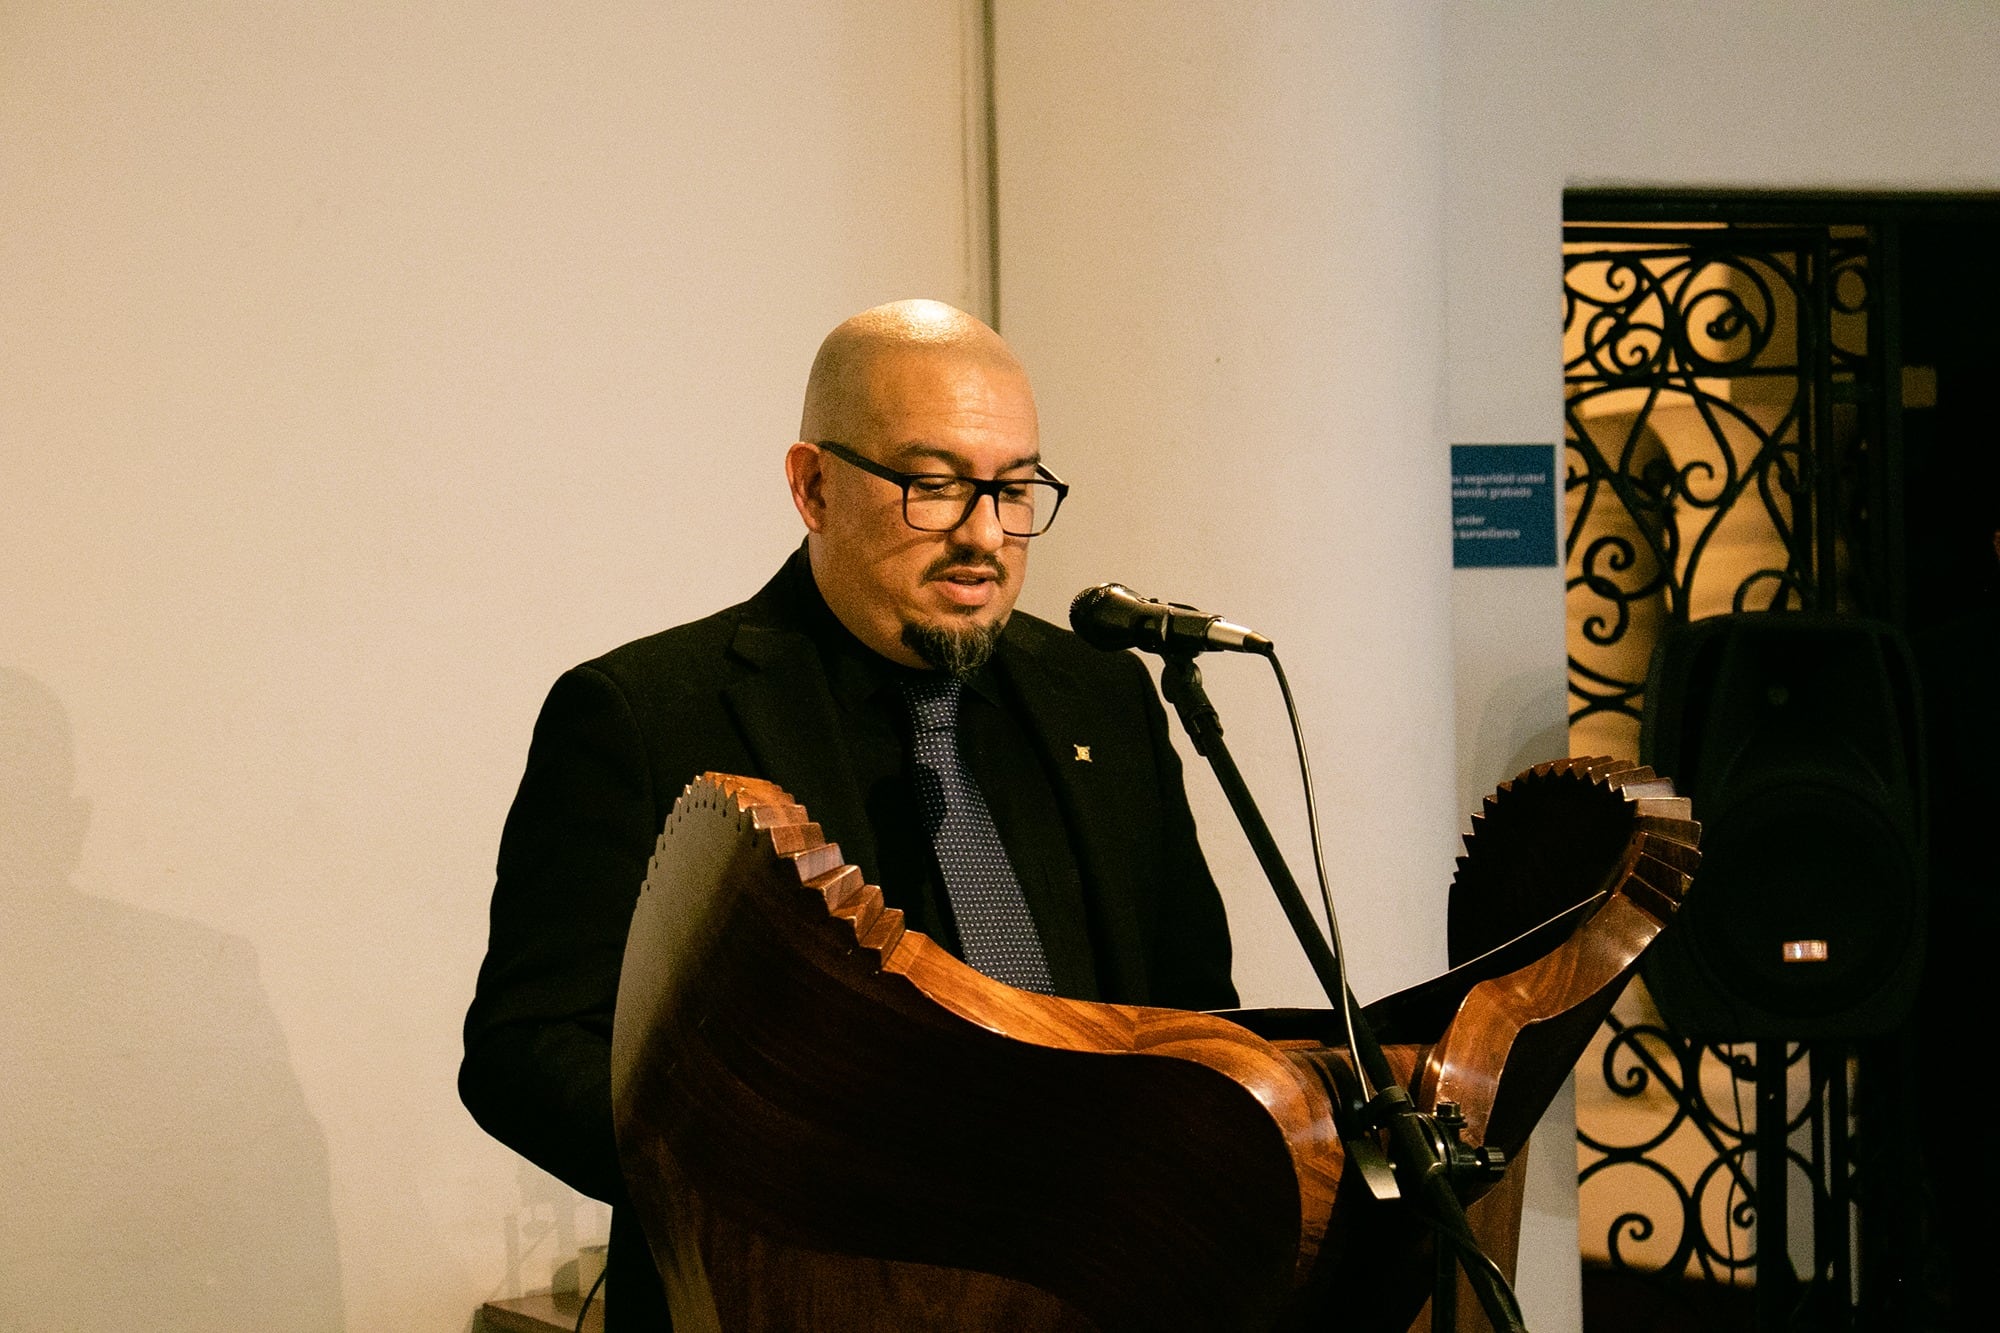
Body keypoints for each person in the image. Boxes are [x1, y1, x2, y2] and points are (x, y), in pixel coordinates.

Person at [459, 299, 1237, 1327]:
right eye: (933, 485)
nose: (984, 535)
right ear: (813, 486)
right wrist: (774, 1186)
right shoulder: (645, 715)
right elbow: (525, 1051)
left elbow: (1193, 1009)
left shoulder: (1100, 696)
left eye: (1013, 488)